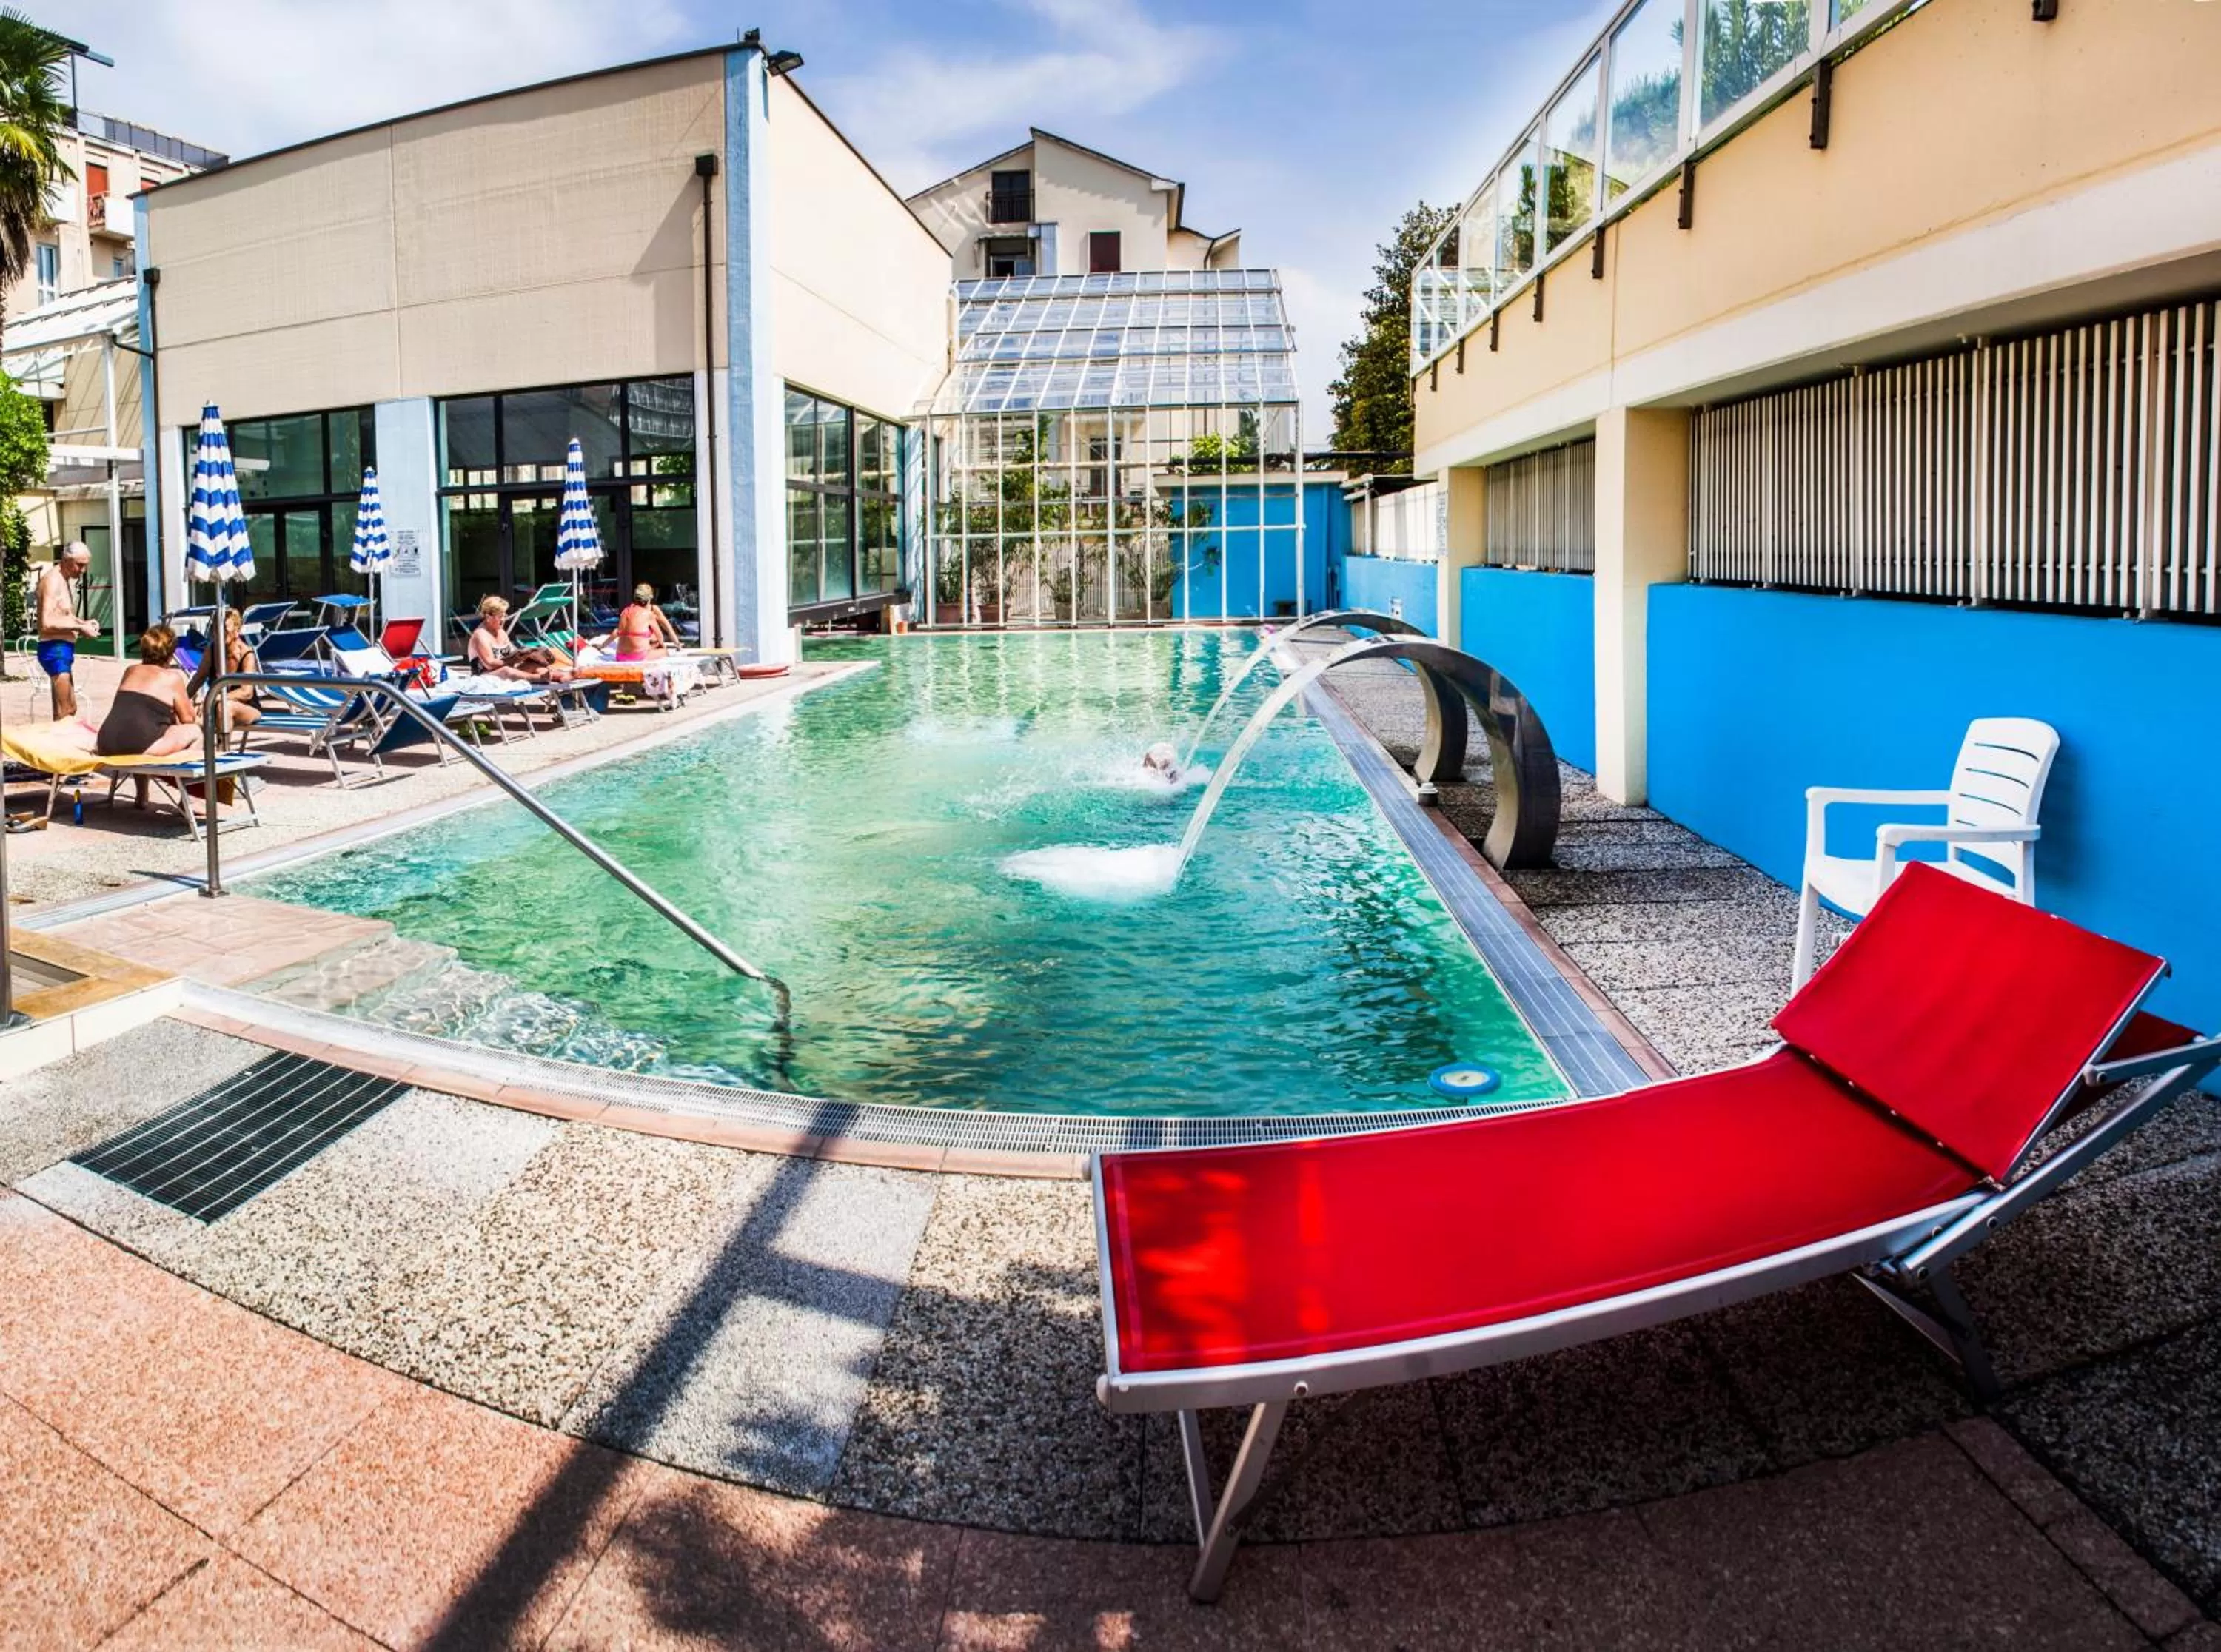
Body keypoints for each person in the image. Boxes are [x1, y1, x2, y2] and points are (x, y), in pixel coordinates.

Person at [96, 625, 203, 760]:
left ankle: (142, 782)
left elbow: (138, 712)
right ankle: (185, 779)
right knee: (196, 732)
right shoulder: (172, 678)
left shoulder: (131, 671)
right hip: (139, 747)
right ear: (171, 654)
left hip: (107, 743)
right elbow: (188, 719)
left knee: (145, 733)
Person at [34, 542, 101, 720]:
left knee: (69, 709)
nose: (83, 570)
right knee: (65, 712)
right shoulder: (52, 581)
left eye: (86, 565)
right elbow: (46, 623)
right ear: (66, 560)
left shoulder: (63, 579)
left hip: (62, 648)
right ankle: (59, 745)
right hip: (54, 649)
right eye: (80, 565)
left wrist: (83, 622)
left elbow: (63, 615)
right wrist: (80, 628)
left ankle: (56, 744)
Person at [187, 608, 263, 736]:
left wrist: (212, 699)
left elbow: (247, 693)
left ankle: (222, 752)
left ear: (237, 631)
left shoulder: (246, 654)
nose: (219, 634)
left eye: (224, 630)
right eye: (216, 629)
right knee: (186, 712)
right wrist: (182, 701)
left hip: (247, 708)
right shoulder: (211, 651)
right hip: (216, 705)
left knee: (225, 707)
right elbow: (198, 679)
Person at [467, 594, 573, 682]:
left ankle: (560, 676)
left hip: (505, 672)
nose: (504, 619)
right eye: (500, 617)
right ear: (488, 617)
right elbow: (490, 665)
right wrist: (515, 659)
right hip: (484, 678)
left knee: (532, 665)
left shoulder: (501, 632)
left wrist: (527, 655)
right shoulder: (480, 636)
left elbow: (512, 654)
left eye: (504, 615)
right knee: (507, 671)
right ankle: (539, 678)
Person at [607, 583, 681, 661]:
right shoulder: (649, 613)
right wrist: (669, 646)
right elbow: (662, 635)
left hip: (620, 656)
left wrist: (602, 646)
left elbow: (617, 632)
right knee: (664, 652)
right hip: (639, 653)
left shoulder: (626, 611)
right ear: (649, 599)